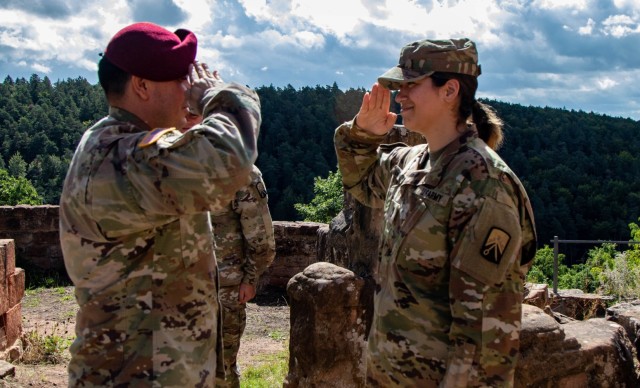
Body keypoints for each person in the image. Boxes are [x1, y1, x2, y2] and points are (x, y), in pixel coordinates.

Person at [59, 21, 261, 387]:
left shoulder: (123, 147)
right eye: (180, 79)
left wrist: (191, 128)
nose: (188, 89)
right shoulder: (117, 159)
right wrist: (220, 95)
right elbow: (227, 162)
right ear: (141, 85)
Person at [334, 38, 537, 387]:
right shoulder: (411, 162)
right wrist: (363, 135)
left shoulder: (483, 184)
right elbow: (362, 183)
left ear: (450, 90)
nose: (400, 95)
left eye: (411, 84)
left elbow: (485, 335)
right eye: (399, 85)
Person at [181, 112, 276, 388]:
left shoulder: (239, 171)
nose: (186, 119)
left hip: (223, 286)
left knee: (220, 368)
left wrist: (249, 277)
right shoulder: (169, 161)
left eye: (193, 113)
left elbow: (261, 238)